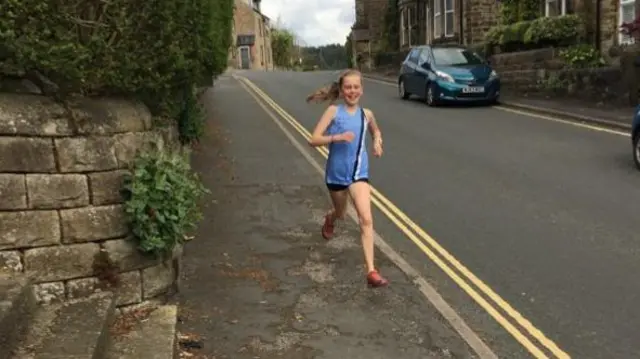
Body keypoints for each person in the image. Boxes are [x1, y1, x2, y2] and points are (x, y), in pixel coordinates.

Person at [306, 69, 388, 287]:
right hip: (336, 174)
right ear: (342, 91)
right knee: (342, 214)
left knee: (366, 219)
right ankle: (331, 218)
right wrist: (337, 137)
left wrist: (378, 142)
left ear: (362, 89)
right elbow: (313, 139)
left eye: (356, 87)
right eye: (348, 87)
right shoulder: (334, 111)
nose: (352, 91)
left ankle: (371, 270)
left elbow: (375, 131)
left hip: (359, 174)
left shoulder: (367, 114)